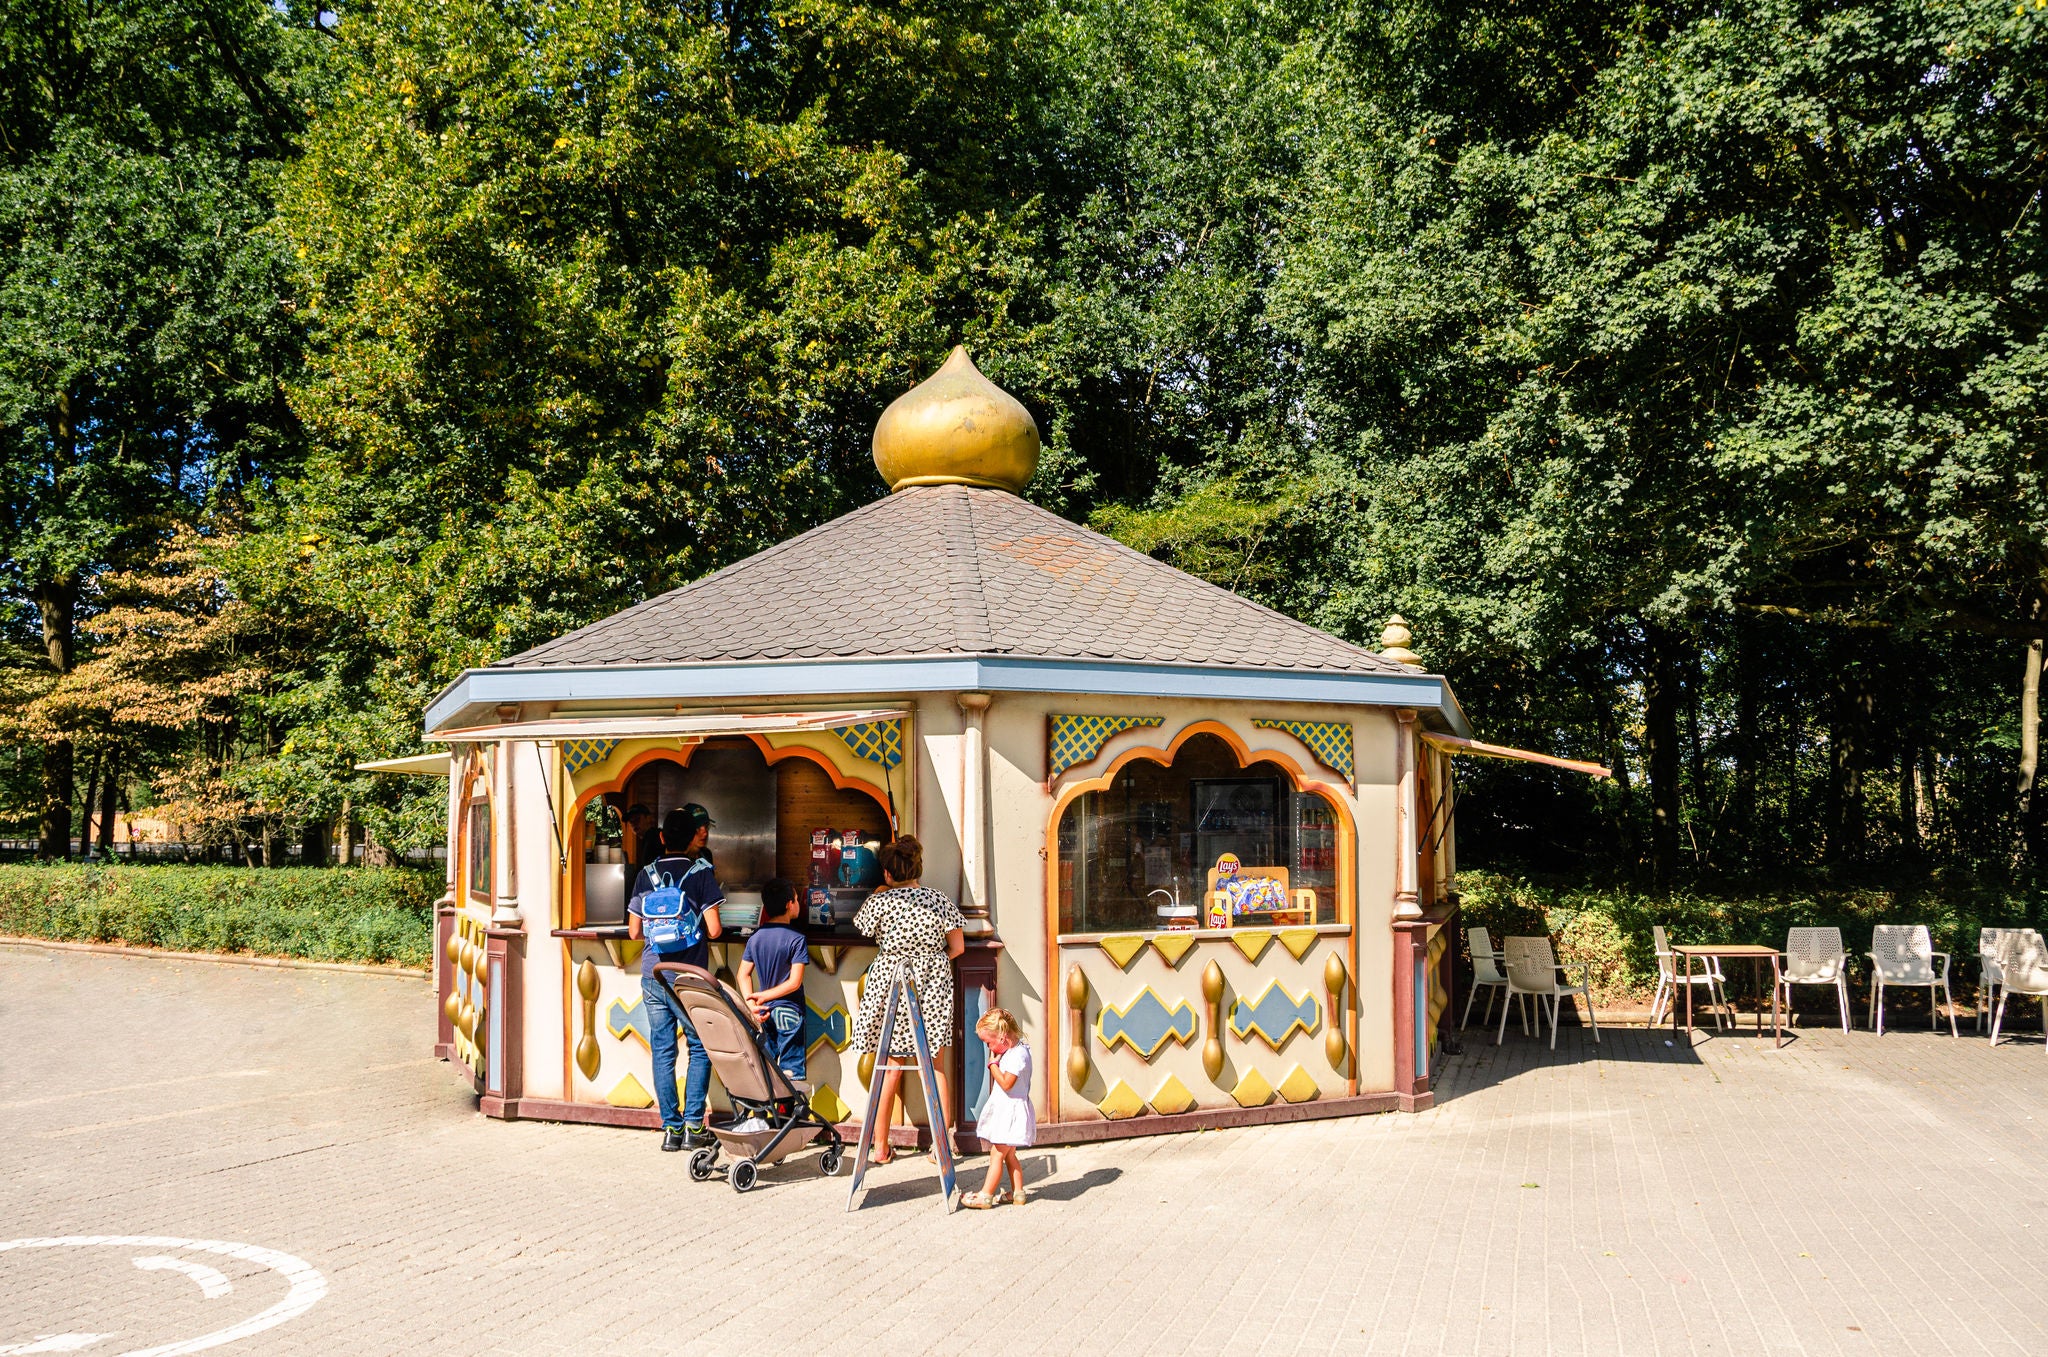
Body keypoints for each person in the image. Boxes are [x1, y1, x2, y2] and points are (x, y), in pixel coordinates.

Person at [851, 836, 965, 1164]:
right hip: (931, 984)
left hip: (891, 984)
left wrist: (880, 892)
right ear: (918, 867)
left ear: (887, 873)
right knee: (935, 1066)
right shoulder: (938, 900)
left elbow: (861, 927)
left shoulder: (880, 901)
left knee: (891, 1067)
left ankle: (880, 1146)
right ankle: (941, 1146)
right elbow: (957, 948)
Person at [626, 803, 723, 1152]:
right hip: (689, 976)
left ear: (663, 837)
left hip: (654, 972)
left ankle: (671, 1128)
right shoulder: (701, 872)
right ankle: (695, 1123)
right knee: (699, 1045)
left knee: (662, 1049)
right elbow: (714, 928)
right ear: (694, 838)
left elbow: (635, 932)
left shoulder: (645, 874)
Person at [739, 877, 808, 1094]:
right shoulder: (797, 939)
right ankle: (789, 1117)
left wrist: (753, 1003)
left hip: (765, 1013)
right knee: (790, 1073)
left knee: (766, 1068)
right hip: (789, 1011)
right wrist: (765, 997)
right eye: (797, 899)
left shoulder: (756, 937)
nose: (798, 904)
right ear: (789, 904)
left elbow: (743, 974)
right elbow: (794, 982)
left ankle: (767, 1114)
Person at [960, 1007, 1032, 1208]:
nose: (988, 1047)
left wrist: (992, 1065)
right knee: (1009, 1154)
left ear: (1002, 1037)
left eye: (988, 1042)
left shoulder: (1017, 1056)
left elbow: (1007, 1083)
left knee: (997, 1154)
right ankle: (1018, 1193)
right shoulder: (1018, 1050)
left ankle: (985, 1195)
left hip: (1011, 1112)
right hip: (1011, 1110)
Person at [623, 803, 659, 870]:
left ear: (648, 818)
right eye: (631, 821)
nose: (634, 823)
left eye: (637, 819)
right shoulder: (647, 838)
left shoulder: (653, 838)